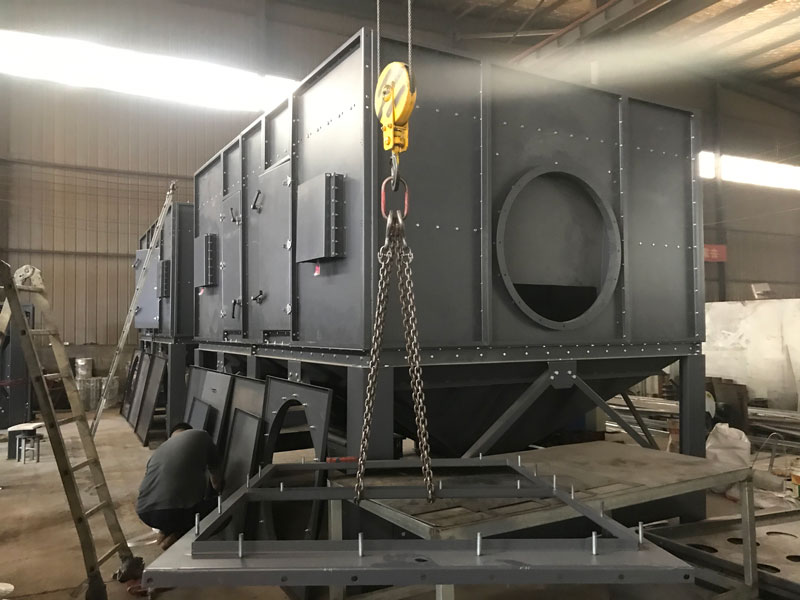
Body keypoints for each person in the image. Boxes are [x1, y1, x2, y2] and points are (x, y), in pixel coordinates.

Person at [136, 423, 223, 550]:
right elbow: (216, 483)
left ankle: (165, 531)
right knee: (222, 509)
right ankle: (177, 536)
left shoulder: (161, 449)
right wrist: (221, 491)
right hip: (173, 512)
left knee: (176, 508)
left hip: (145, 512)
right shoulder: (203, 436)